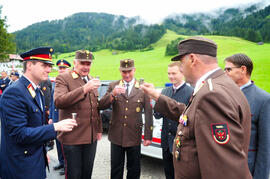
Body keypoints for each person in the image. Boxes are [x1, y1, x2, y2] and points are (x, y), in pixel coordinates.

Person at [140, 37, 252, 179]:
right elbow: (189, 116)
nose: (181, 68)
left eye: (182, 62)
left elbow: (220, 169)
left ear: (192, 59)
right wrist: (156, 95)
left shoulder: (212, 95)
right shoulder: (217, 85)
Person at [0, 47, 77, 179]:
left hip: (34, 160)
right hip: (20, 167)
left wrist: (42, 152)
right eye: (44, 65)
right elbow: (20, 134)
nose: (49, 69)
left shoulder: (35, 90)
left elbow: (35, 127)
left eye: (49, 66)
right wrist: (56, 126)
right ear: (29, 65)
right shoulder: (14, 92)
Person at [99, 59, 153, 179]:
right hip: (116, 135)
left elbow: (149, 113)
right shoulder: (113, 85)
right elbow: (101, 105)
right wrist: (113, 94)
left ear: (134, 70)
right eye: (124, 72)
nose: (127, 74)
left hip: (134, 135)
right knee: (116, 168)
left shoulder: (142, 88)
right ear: (120, 71)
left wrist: (148, 135)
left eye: (129, 71)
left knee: (134, 168)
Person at [54, 50, 102, 179]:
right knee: (74, 175)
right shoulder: (64, 78)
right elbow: (59, 101)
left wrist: (98, 129)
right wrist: (84, 89)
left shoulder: (92, 79)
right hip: (73, 137)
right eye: (82, 63)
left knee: (87, 173)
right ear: (75, 63)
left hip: (90, 137)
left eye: (89, 63)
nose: (86, 67)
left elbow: (95, 108)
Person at [224, 53, 270, 179]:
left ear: (243, 70)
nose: (225, 73)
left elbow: (265, 147)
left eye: (229, 69)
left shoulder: (263, 99)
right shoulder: (222, 95)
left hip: (246, 171)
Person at [154, 62, 193, 179]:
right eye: (169, 73)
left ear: (182, 73)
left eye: (174, 73)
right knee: (168, 174)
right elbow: (157, 116)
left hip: (182, 143)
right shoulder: (165, 91)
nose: (171, 76)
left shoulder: (191, 92)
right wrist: (155, 105)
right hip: (166, 142)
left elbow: (190, 119)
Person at [49, 59, 71, 175]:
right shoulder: (57, 82)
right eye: (60, 68)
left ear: (69, 69)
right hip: (56, 117)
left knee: (65, 143)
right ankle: (61, 162)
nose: (61, 70)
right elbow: (53, 102)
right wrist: (51, 117)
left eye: (64, 68)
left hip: (65, 118)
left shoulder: (70, 83)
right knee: (58, 142)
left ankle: (67, 165)